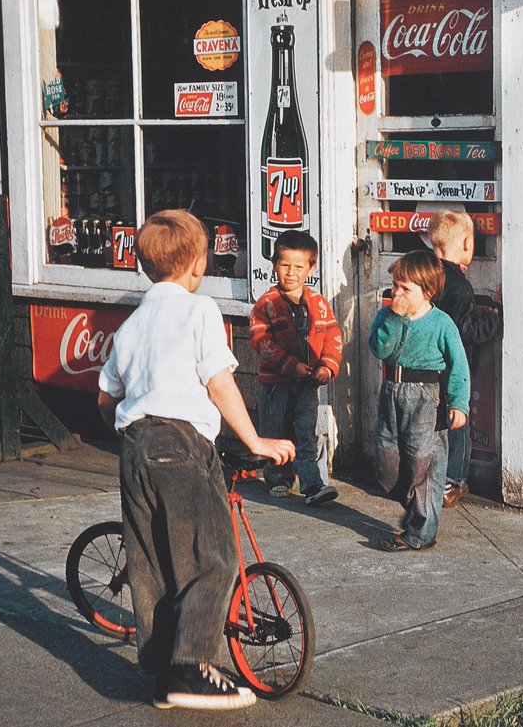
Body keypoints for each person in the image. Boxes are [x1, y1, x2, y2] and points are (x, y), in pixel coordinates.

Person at [97, 209, 295, 711]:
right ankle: (192, 669)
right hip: (181, 444)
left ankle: (165, 673)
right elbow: (219, 383)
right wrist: (255, 440)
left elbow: (105, 399)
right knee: (214, 556)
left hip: (135, 446)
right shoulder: (199, 310)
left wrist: (131, 437)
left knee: (153, 562)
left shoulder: (130, 326)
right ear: (197, 264)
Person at [369, 249, 470, 551]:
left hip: (426, 397)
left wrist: (459, 403)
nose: (397, 293)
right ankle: (413, 506)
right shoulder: (387, 316)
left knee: (425, 464)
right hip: (391, 392)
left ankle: (421, 532)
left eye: (405, 288)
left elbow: (459, 364)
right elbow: (380, 349)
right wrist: (394, 319)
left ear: (427, 291)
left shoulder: (441, 323)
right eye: (395, 285)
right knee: (388, 462)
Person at [249, 230, 343, 505]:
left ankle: (312, 484)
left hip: (308, 384)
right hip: (276, 384)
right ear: (274, 265)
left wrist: (327, 366)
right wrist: (290, 366)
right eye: (285, 265)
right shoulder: (266, 304)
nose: (291, 273)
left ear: (311, 269)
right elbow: (261, 341)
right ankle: (278, 477)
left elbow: (333, 337)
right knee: (275, 429)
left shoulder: (319, 304)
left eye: (299, 267)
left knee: (306, 431)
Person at [427, 210, 501, 508]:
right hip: (452, 369)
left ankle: (429, 476)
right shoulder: (458, 286)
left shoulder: (426, 276)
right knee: (456, 422)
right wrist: (493, 315)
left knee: (433, 425)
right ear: (467, 244)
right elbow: (465, 330)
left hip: (427, 368)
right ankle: (452, 480)